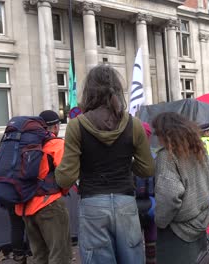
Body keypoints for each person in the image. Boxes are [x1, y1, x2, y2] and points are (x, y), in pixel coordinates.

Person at [55, 65, 155, 263]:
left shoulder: (77, 125)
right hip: (125, 201)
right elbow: (148, 168)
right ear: (117, 89)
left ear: (89, 91)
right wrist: (127, 164)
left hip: (92, 202)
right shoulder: (133, 124)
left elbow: (66, 177)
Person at [152, 112, 209, 264]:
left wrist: (160, 221)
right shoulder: (198, 149)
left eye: (157, 133)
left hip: (177, 229)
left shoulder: (167, 156)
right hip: (199, 219)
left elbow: (169, 195)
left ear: (165, 133)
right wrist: (198, 199)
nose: (156, 137)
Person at [14, 110, 71, 264]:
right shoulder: (55, 144)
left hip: (26, 205)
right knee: (59, 255)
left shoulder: (21, 144)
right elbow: (65, 176)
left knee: (39, 256)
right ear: (55, 127)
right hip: (49, 204)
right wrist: (62, 192)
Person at [135, 122, 157, 264]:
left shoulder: (125, 157)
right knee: (152, 242)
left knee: (134, 245)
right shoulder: (155, 156)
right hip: (152, 204)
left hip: (133, 205)